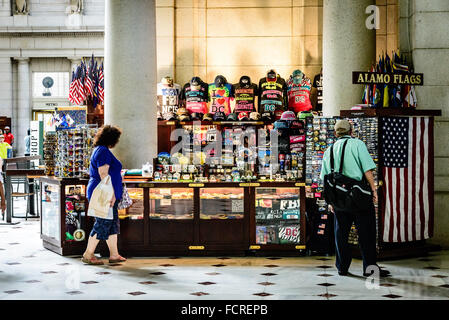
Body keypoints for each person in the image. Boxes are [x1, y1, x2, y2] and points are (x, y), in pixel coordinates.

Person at [320, 119, 390, 277]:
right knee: (367, 233)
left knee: (340, 234)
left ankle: (342, 267)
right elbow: (367, 170)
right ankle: (370, 269)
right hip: (359, 196)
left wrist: (330, 201)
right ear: (351, 131)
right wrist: (374, 190)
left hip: (338, 198)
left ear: (335, 133)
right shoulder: (358, 144)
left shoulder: (329, 150)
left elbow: (325, 179)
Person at [82, 125, 126, 265]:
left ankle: (114, 255)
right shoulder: (103, 152)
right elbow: (103, 174)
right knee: (102, 223)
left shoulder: (101, 150)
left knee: (112, 224)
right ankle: (88, 255)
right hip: (104, 194)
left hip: (104, 193)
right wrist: (111, 194)